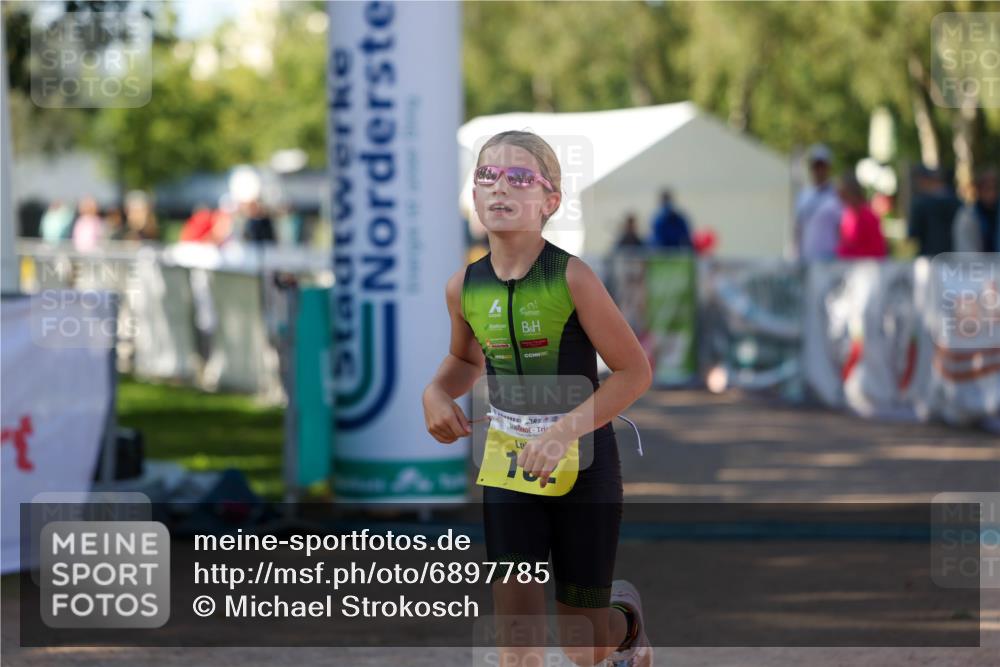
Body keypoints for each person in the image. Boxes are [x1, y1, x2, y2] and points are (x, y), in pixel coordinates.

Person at [422, 130, 654, 667]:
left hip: (584, 465)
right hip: (507, 467)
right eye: (487, 176)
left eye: (520, 177)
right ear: (474, 195)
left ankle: (626, 629)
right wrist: (435, 392)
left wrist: (561, 432)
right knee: (518, 646)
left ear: (550, 201)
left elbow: (632, 372)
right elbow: (465, 361)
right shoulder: (463, 286)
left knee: (584, 648)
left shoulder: (573, 277)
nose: (500, 187)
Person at [794, 144, 842, 261]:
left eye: (822, 166)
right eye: (816, 166)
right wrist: (796, 253)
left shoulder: (837, 195)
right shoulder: (803, 195)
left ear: (828, 167)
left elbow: (842, 228)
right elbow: (798, 227)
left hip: (830, 259)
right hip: (806, 258)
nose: (819, 170)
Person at [908, 166, 961, 256]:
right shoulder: (956, 201)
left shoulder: (921, 203)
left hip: (929, 254)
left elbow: (913, 233)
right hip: (952, 254)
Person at [836, 173, 887, 259]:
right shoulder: (847, 214)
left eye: (842, 191)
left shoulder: (869, 217)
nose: (839, 194)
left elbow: (878, 251)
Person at [954, 168, 999, 253]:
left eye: (994, 188)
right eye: (987, 189)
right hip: (978, 264)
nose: (991, 193)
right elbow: (965, 250)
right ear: (978, 190)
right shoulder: (967, 216)